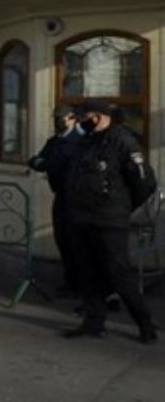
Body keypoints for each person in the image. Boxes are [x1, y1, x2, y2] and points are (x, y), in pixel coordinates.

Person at [63, 100, 158, 344]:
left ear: (98, 117)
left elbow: (145, 182)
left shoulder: (122, 141)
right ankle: (94, 322)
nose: (81, 122)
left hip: (109, 221)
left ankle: (146, 326)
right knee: (87, 272)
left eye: (84, 117)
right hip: (82, 218)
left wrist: (122, 207)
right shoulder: (86, 141)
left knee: (119, 275)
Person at [28, 104, 85, 296]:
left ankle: (82, 284)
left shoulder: (80, 141)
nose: (58, 122)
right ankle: (71, 282)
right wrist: (44, 163)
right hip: (61, 196)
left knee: (77, 242)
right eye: (56, 118)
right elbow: (37, 161)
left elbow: (56, 164)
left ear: (72, 119)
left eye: (62, 118)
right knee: (63, 239)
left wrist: (47, 164)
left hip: (76, 198)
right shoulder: (54, 142)